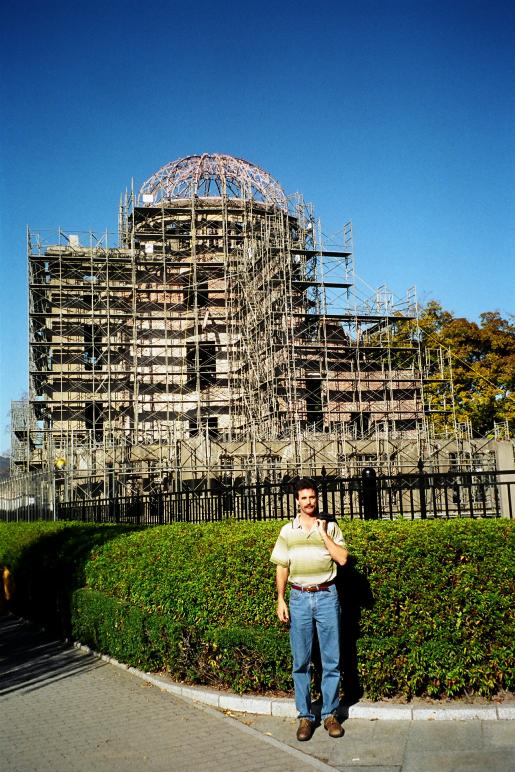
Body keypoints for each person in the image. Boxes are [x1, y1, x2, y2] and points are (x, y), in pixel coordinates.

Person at [270, 477, 348, 742]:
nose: (308, 502)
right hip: (299, 598)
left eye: (312, 497)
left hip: (326, 595)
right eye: (304, 498)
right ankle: (305, 716)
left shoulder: (331, 526)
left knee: (331, 660)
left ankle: (329, 714)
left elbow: (342, 558)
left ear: (317, 498)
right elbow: (282, 566)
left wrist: (323, 532)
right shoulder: (287, 530)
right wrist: (281, 599)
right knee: (301, 661)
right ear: (297, 501)